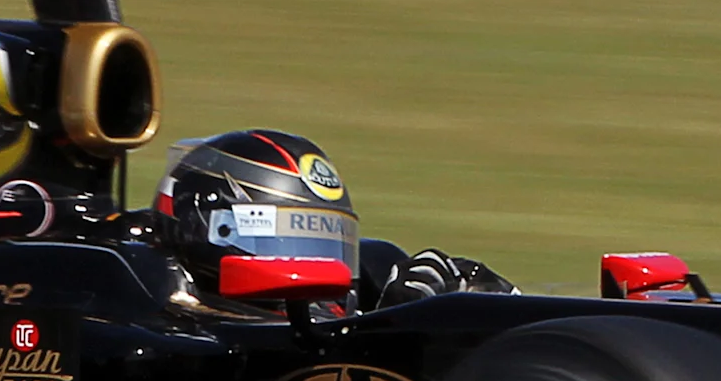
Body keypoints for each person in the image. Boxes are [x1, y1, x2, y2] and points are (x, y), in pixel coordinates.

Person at [149, 129, 512, 312]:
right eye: (287, 240)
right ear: (210, 232)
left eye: (326, 243)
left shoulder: (370, 280)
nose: (326, 298)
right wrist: (393, 339)